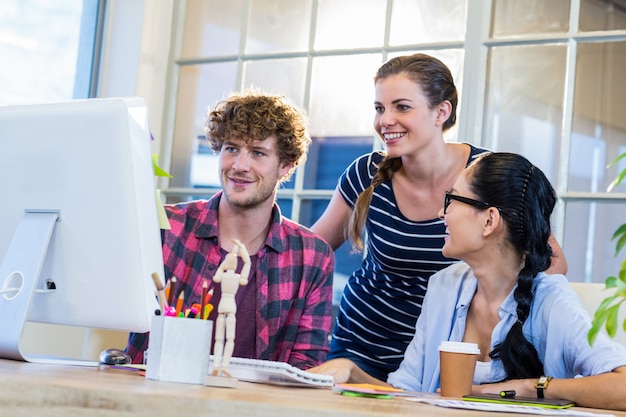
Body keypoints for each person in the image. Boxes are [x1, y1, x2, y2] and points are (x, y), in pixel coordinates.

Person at [308, 53, 568, 382]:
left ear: (441, 112)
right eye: (379, 108)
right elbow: (310, 253)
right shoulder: (366, 173)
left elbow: (554, 263)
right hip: (361, 349)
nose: (385, 120)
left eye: (402, 107)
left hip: (444, 357)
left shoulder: (482, 176)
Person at [328, 152, 626, 411]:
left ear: (489, 220)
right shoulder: (444, 286)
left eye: (452, 199)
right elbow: (407, 393)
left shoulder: (551, 299)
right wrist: (352, 373)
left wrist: (530, 388)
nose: (441, 213)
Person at [126, 90, 335, 370]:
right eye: (232, 148)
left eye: (258, 153)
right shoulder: (166, 227)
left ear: (285, 165)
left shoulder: (312, 257)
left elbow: (306, 365)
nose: (239, 166)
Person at [211, 239, 250, 377]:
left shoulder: (222, 275)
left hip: (222, 305)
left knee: (219, 339)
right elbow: (248, 263)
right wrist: (242, 248)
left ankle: (217, 365)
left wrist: (225, 262)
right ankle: (224, 365)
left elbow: (217, 275)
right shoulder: (238, 277)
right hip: (231, 306)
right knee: (229, 339)